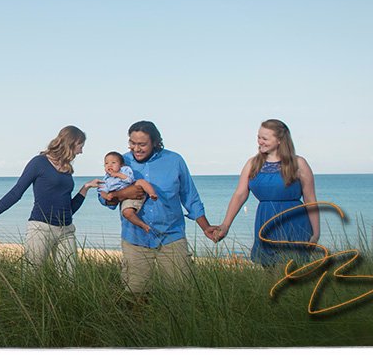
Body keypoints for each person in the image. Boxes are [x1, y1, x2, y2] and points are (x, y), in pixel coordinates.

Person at [101, 121, 216, 293]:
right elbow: (105, 197)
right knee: (134, 294)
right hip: (135, 238)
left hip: (171, 236)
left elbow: (190, 197)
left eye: (142, 144)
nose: (136, 149)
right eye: (132, 143)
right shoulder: (121, 162)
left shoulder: (175, 160)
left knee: (180, 292)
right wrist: (124, 193)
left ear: (155, 142)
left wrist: (206, 227)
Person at [0, 126, 102, 276]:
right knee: (32, 278)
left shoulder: (67, 169)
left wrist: (85, 188)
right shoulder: (39, 162)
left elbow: (68, 209)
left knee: (71, 281)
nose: (81, 151)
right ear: (71, 143)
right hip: (41, 229)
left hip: (66, 230)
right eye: (80, 146)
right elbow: (16, 192)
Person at [211, 119, 320, 266]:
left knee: (287, 275)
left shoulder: (298, 163)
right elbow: (240, 194)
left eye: (265, 138)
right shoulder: (252, 164)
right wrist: (226, 225)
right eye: (258, 137)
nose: (260, 142)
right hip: (265, 222)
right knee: (269, 275)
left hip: (294, 224)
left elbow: (310, 199)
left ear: (280, 140)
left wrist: (316, 233)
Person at [98, 151, 158, 234]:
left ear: (121, 165)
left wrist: (117, 174)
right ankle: (143, 225)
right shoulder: (106, 179)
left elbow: (129, 179)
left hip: (135, 186)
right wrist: (107, 196)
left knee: (141, 181)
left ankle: (152, 194)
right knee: (126, 213)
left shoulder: (124, 170)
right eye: (106, 163)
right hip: (126, 199)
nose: (110, 165)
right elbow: (102, 191)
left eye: (113, 163)